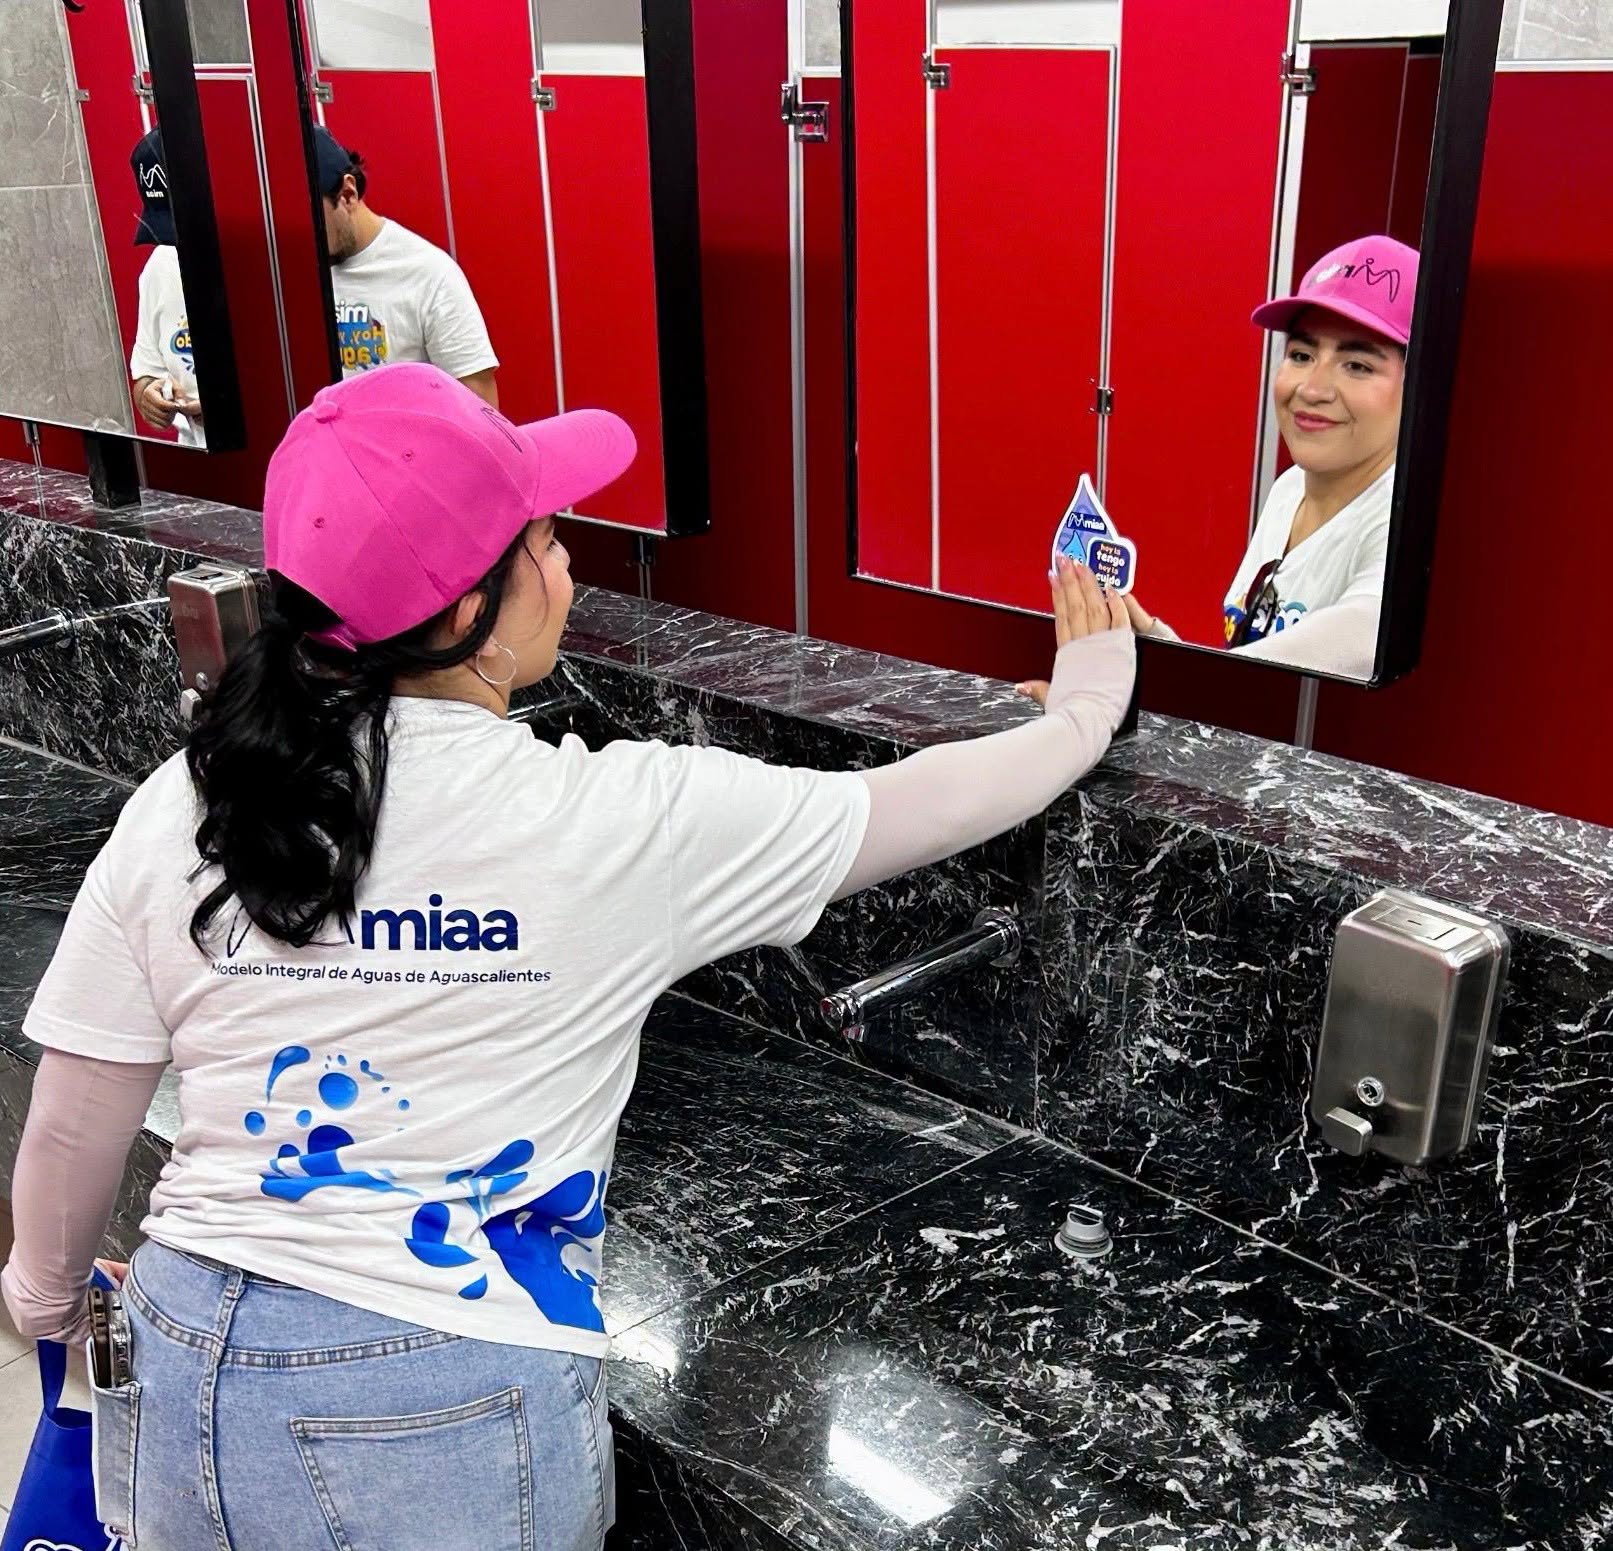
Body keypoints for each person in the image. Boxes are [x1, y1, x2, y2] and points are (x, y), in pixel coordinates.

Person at [0, 364, 1133, 1550]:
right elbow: (921, 804)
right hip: (440, 1403)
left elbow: (75, 1117)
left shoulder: (189, 800)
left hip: (184, 1353)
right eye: (541, 538)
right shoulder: (613, 821)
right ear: (463, 612)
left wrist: (45, 1298)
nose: (567, 561)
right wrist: (1083, 709)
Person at [1127, 235, 1417, 679]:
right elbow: (1258, 680)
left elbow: (1364, 639)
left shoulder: (1402, 526)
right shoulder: (1290, 487)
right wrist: (1150, 642)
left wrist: (1130, 692)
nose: (1312, 389)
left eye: (1357, 365)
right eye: (1301, 355)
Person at [314, 124, 500, 407]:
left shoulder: (430, 274)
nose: (307, 236)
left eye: (315, 220)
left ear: (348, 194)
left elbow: (481, 407)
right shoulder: (294, 273)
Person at [128, 126, 205, 448]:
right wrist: (149, 395)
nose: (179, 245)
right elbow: (145, 373)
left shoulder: (273, 269)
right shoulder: (161, 265)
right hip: (202, 458)